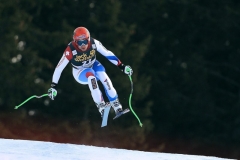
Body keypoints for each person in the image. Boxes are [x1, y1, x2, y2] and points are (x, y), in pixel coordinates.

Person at [48, 27, 133, 118]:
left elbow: (107, 54)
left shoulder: (94, 43)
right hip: (80, 71)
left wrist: (122, 66)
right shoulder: (71, 50)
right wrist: (53, 86)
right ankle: (101, 105)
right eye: (79, 42)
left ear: (88, 39)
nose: (83, 45)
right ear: (75, 42)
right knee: (91, 76)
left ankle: (116, 105)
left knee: (104, 77)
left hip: (93, 65)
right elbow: (59, 68)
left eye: (85, 41)